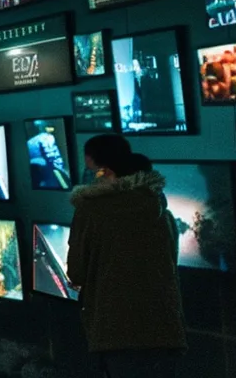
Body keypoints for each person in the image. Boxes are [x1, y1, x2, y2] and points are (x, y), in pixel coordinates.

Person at [67, 135, 187, 377]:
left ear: (107, 172)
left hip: (115, 332)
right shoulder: (162, 212)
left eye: (93, 171)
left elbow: (76, 272)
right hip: (165, 330)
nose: (89, 178)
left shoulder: (90, 210)